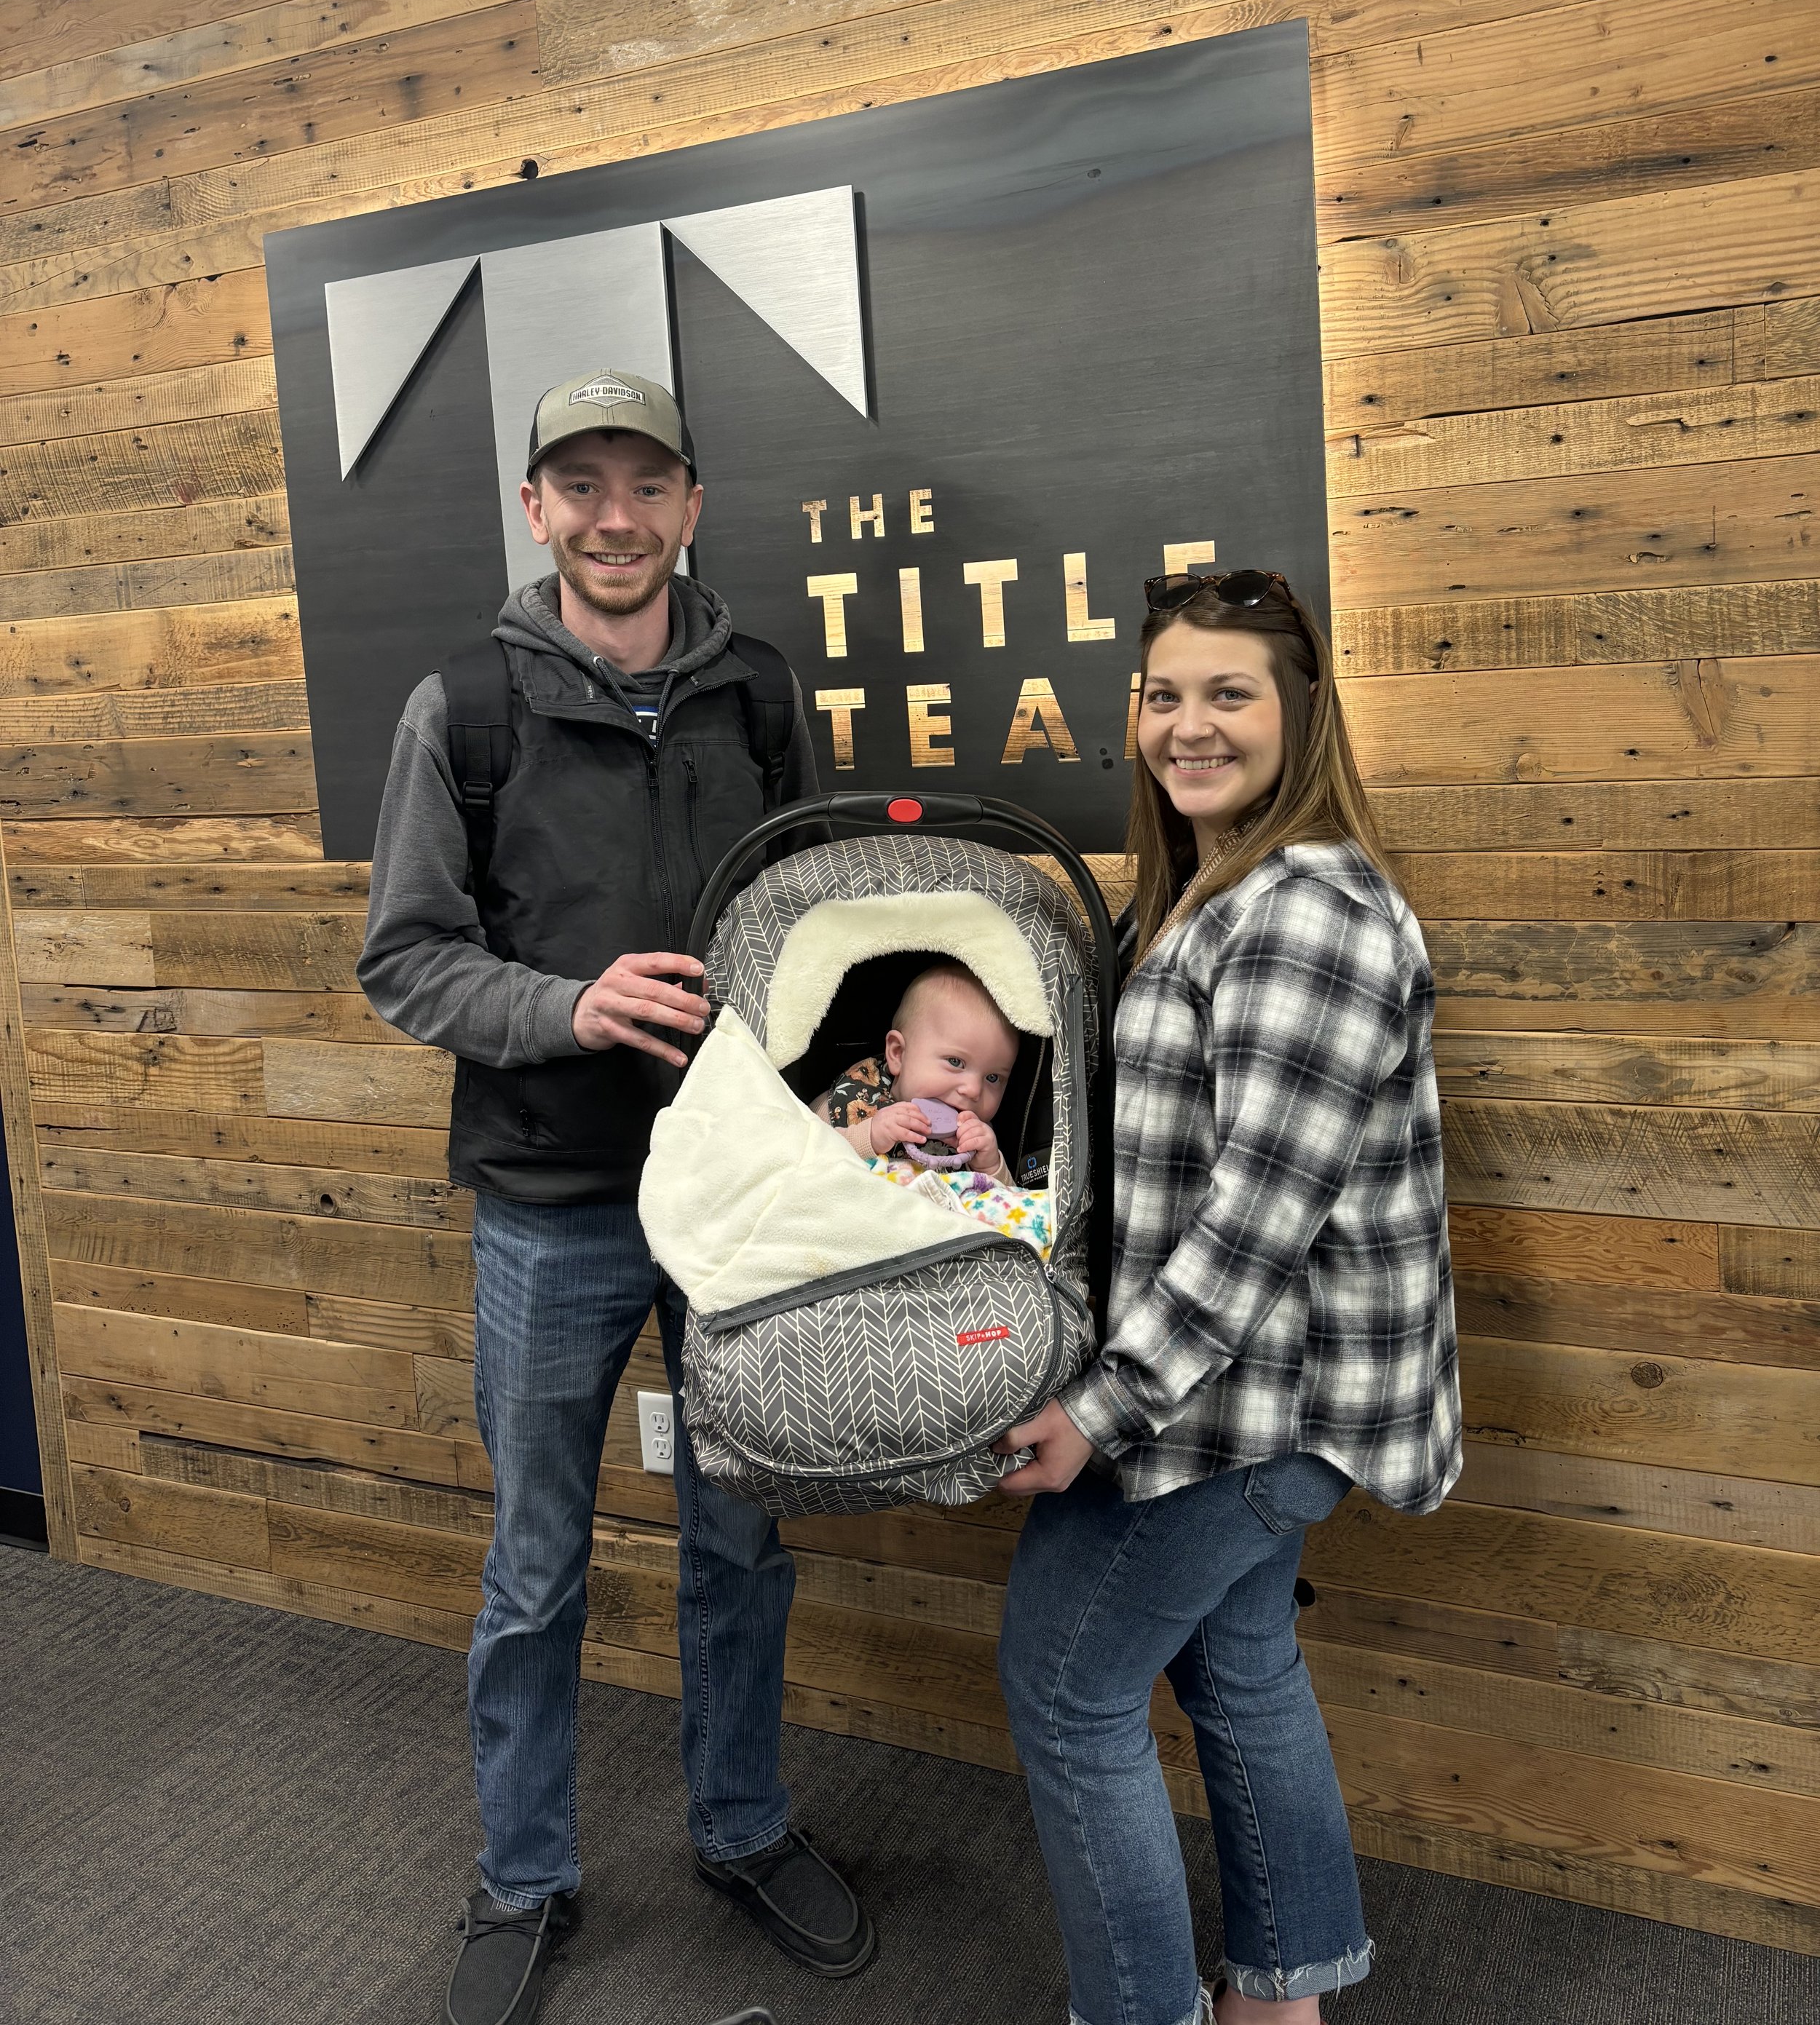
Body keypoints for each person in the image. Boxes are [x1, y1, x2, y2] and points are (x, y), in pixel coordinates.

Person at [357, 369, 876, 2025]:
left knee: (742, 1538)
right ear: (536, 508)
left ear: (690, 503)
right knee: (536, 1567)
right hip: (553, 1201)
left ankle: (743, 1825)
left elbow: (813, 912)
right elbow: (405, 958)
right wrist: (566, 1008)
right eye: (578, 484)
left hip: (741, 1204)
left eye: (644, 483)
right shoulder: (463, 708)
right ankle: (524, 1877)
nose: (614, 516)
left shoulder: (759, 689)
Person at [993, 567, 1461, 2025]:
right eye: (1164, 694)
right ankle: (1282, 1998)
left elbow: (1256, 1219)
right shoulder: (1210, 890)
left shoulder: (1306, 908)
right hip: (1236, 1396)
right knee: (1240, 1667)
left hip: (1246, 1408)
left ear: (1299, 714)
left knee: (1066, 1686)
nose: (1188, 724)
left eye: (1229, 693)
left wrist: (1098, 1406)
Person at [815, 961, 1017, 1177]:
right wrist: (870, 1137)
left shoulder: (976, 1140)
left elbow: (1010, 1198)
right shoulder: (853, 1094)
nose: (974, 1090)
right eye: (955, 1062)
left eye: (992, 1077)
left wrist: (990, 1167)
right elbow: (807, 1154)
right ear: (898, 1054)